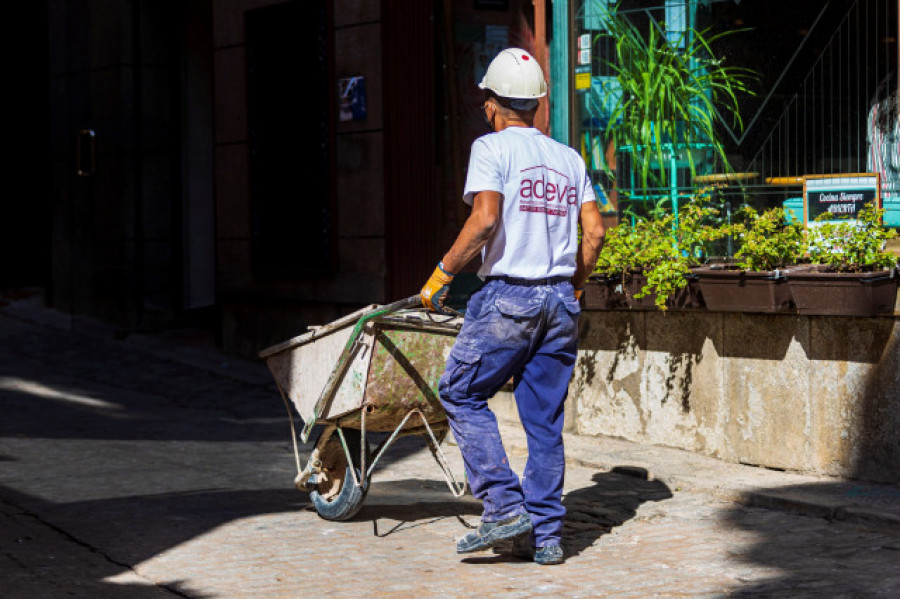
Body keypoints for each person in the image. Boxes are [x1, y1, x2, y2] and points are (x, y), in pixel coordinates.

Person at [419, 48, 606, 565]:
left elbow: (483, 221)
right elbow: (594, 232)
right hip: (558, 303)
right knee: (544, 422)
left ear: (491, 104)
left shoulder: (491, 148)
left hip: (509, 298)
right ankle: (546, 538)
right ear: (540, 106)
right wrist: (574, 284)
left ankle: (502, 507)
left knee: (458, 391)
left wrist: (441, 275)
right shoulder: (570, 158)